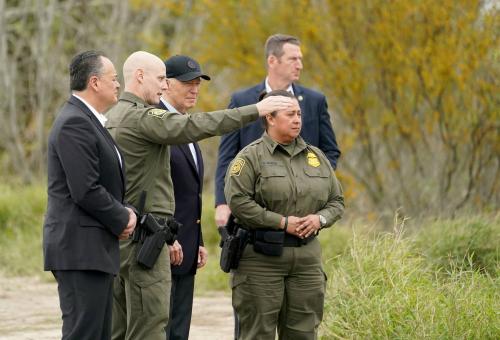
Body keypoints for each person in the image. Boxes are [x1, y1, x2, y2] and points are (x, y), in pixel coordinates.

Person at [105, 51, 295, 340]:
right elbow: (194, 125)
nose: (163, 86)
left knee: (122, 328)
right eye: (160, 79)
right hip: (144, 239)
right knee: (149, 325)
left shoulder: (114, 115)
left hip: (130, 235)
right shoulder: (142, 116)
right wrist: (254, 110)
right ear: (140, 76)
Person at [224, 90, 344, 340]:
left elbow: (336, 201)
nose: (297, 119)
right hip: (261, 259)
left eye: (299, 114)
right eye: (290, 114)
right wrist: (281, 222)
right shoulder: (250, 157)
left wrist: (318, 219)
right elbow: (238, 203)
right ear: (270, 117)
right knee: (258, 334)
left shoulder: (316, 156)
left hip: (306, 260)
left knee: (303, 333)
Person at [43, 50, 137, 340]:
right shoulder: (75, 122)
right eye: (114, 78)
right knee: (84, 333)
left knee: (97, 333)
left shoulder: (91, 120)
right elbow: (85, 189)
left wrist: (125, 212)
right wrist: (122, 218)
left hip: (93, 249)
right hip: (79, 249)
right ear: (95, 82)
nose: (119, 84)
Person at [215, 33, 341, 229]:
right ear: (272, 61)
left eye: (300, 59)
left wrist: (315, 186)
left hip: (302, 213)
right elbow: (227, 155)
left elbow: (330, 151)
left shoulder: (315, 101)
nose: (299, 65)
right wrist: (222, 202)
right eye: (293, 59)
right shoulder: (242, 100)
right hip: (251, 206)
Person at [160, 55, 210, 340]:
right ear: (165, 84)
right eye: (187, 83)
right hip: (165, 245)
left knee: (180, 330)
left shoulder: (186, 125)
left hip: (187, 246)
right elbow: (154, 188)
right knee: (161, 328)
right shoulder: (156, 122)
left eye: (197, 83)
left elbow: (190, 192)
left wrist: (199, 238)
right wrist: (167, 238)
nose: (194, 89)